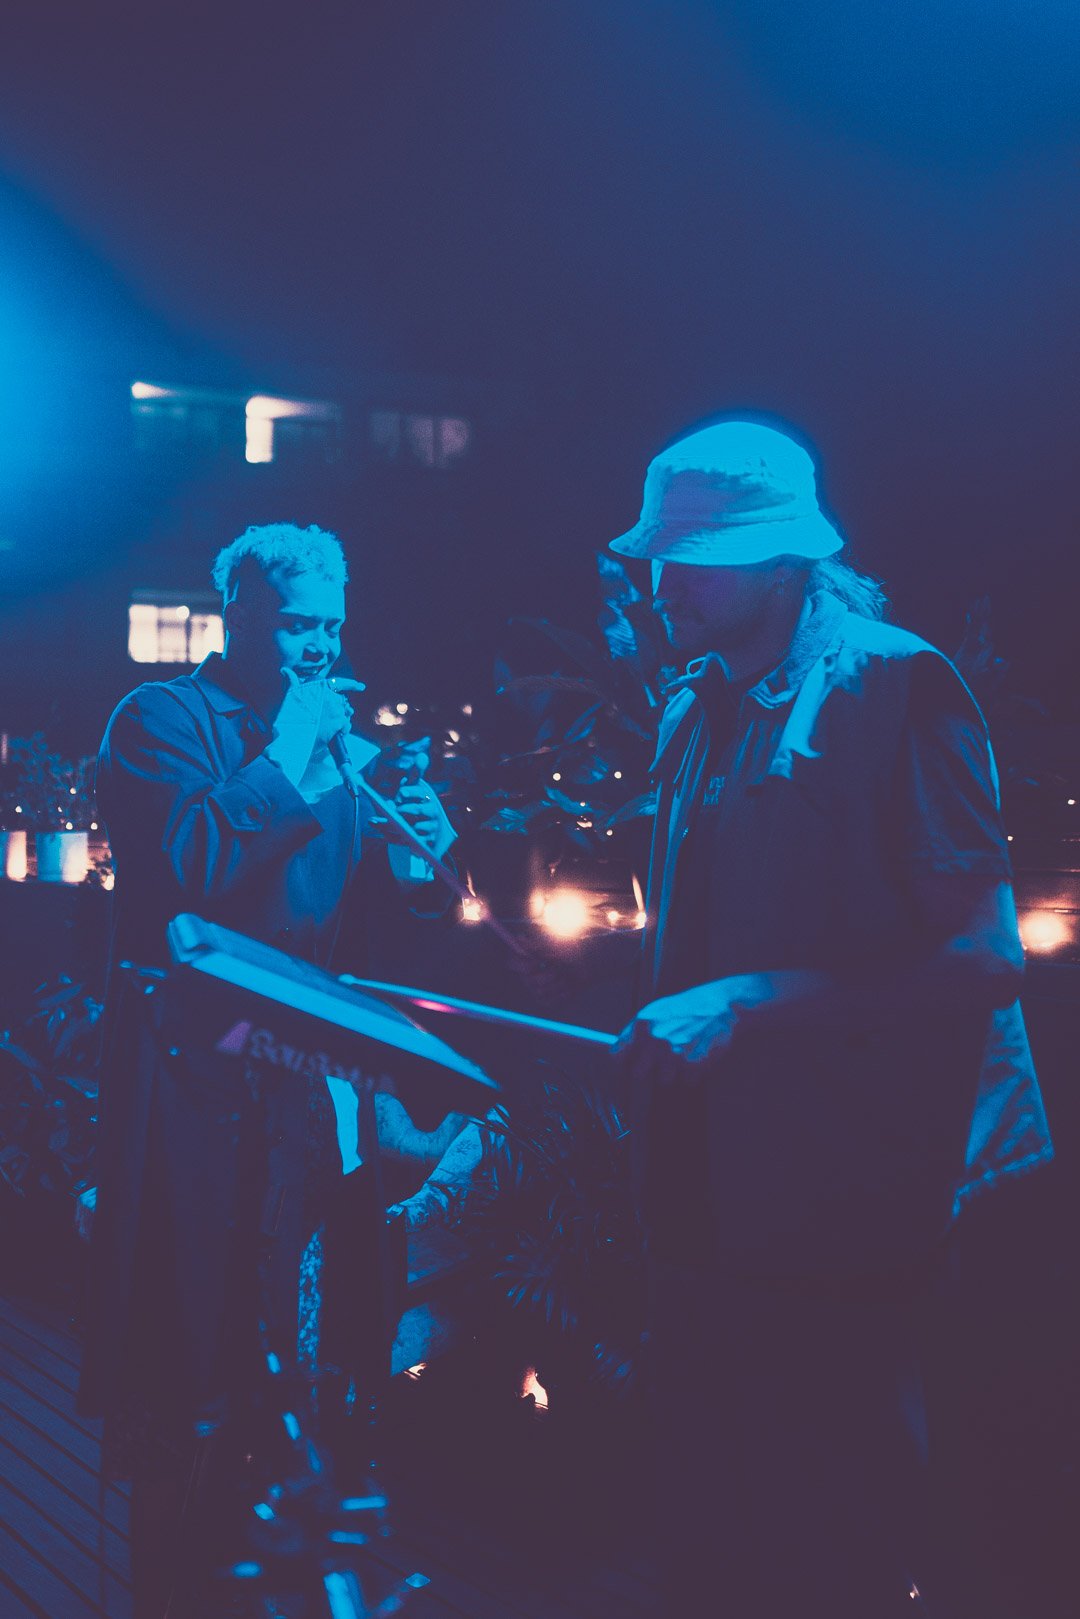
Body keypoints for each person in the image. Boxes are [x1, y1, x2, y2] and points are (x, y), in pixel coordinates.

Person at [611, 421, 1053, 1617]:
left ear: (782, 561)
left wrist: (748, 1004)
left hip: (852, 1194)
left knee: (843, 1534)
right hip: (711, 1183)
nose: (662, 580)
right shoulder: (693, 706)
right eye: (661, 551)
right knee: (719, 1525)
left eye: (695, 554)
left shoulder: (901, 685)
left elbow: (984, 957)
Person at [80, 522, 456, 1617]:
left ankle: (275, 1581)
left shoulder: (329, 745)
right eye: (298, 623)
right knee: (191, 1355)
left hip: (301, 1087)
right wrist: (294, 749)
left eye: (333, 625)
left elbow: (375, 928)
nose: (319, 648)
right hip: (192, 1086)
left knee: (295, 1362)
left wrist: (417, 854)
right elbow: (191, 869)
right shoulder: (158, 721)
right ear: (236, 613)